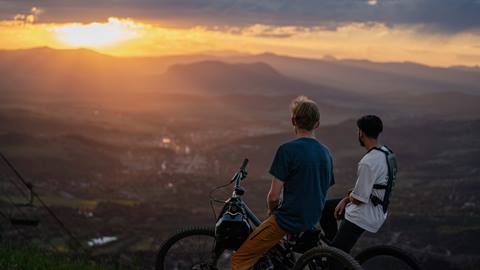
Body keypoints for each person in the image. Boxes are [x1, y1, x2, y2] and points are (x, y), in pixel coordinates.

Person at [231, 96, 335, 270]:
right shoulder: (326, 153)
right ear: (317, 123)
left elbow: (273, 196)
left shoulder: (287, 150)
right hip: (312, 217)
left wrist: (273, 213)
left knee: (239, 259)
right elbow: (323, 187)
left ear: (293, 120)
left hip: (289, 220)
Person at [320, 115, 395, 254]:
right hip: (378, 208)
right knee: (325, 209)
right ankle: (336, 245)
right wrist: (346, 199)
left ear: (361, 133)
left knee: (334, 260)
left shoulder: (368, 161)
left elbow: (359, 199)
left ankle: (337, 255)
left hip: (363, 214)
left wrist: (348, 197)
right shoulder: (386, 153)